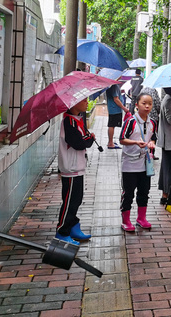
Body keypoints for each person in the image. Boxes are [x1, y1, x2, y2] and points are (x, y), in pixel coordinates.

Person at [55, 98, 95, 245]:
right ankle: (62, 231)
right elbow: (79, 143)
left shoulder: (77, 119)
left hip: (78, 167)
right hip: (70, 168)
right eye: (84, 100)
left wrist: (88, 138)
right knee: (69, 201)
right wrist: (89, 139)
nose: (86, 102)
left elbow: (84, 139)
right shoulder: (69, 122)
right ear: (73, 103)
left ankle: (73, 226)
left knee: (77, 199)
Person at [119, 92, 157, 232]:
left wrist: (151, 143)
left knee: (144, 191)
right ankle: (126, 220)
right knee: (128, 193)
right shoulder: (130, 121)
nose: (147, 106)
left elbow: (154, 137)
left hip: (145, 164)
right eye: (144, 103)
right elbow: (122, 139)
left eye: (150, 104)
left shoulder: (152, 122)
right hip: (130, 163)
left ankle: (141, 218)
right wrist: (136, 142)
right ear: (137, 105)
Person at [106, 82, 129, 149]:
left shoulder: (111, 85)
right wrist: (124, 108)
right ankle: (110, 143)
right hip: (115, 109)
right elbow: (116, 99)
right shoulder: (114, 85)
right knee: (112, 125)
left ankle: (110, 142)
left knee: (112, 125)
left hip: (112, 108)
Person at [140, 87, 161, 160]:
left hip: (143, 116)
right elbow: (158, 104)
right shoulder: (154, 91)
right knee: (152, 136)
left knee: (144, 134)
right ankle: (151, 153)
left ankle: (143, 152)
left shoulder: (142, 90)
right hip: (153, 118)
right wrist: (158, 112)